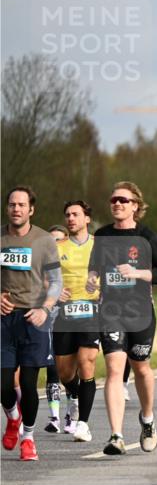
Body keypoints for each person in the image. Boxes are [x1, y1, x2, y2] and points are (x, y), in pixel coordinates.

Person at [86, 181, 157, 455]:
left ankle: (147, 418)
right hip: (111, 311)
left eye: (123, 200)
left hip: (140, 312)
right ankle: (116, 435)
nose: (117, 204)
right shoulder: (102, 235)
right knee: (113, 368)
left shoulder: (147, 236)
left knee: (141, 368)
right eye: (113, 200)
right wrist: (91, 279)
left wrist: (138, 273)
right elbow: (94, 267)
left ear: (135, 205)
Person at [2, 186, 62, 461]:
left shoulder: (44, 240)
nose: (16, 209)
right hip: (4, 318)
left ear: (31, 209)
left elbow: (57, 282)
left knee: (28, 383)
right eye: (12, 204)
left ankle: (28, 438)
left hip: (34, 318)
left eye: (21, 205)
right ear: (7, 208)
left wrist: (44, 309)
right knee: (3, 384)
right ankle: (13, 417)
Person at [51, 200, 100, 442]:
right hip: (65, 313)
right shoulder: (57, 247)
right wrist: (54, 292)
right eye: (68, 215)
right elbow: (43, 278)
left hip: (92, 310)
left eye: (76, 214)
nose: (71, 218)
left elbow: (113, 274)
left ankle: (83, 424)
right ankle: (75, 395)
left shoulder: (100, 246)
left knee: (86, 361)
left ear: (87, 218)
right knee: (64, 373)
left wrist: (102, 288)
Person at [43, 225, 67, 432]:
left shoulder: (74, 261)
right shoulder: (43, 261)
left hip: (70, 319)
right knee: (52, 367)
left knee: (69, 371)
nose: (55, 244)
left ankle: (73, 414)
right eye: (51, 240)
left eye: (59, 240)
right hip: (49, 318)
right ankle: (54, 418)